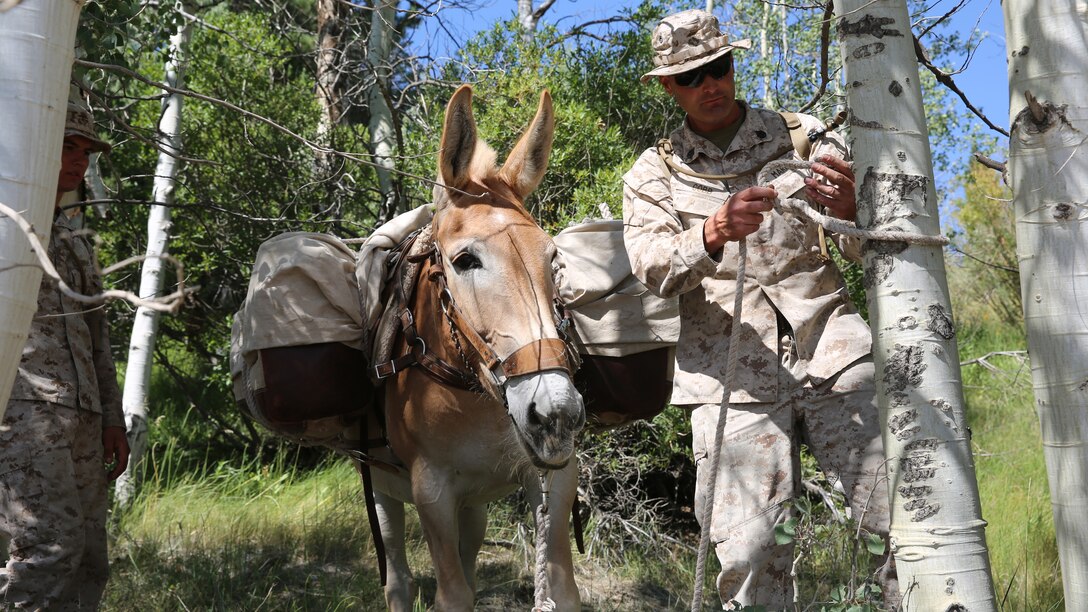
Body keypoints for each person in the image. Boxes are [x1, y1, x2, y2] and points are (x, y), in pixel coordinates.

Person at [622, 9, 897, 610]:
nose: (710, 85)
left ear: (733, 63)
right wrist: (711, 234)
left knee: (900, 524)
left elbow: (867, 247)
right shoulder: (654, 173)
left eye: (718, 68)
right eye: (692, 77)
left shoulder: (803, 136)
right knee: (748, 557)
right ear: (668, 86)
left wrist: (855, 206)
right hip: (730, 382)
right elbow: (651, 270)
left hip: (835, 354)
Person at [0, 94, 130, 609]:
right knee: (48, 549)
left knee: (89, 556)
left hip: (82, 415)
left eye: (85, 152)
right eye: (66, 147)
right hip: (24, 412)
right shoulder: (7, 229)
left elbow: (98, 341)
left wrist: (111, 421)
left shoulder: (76, 243)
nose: (78, 161)